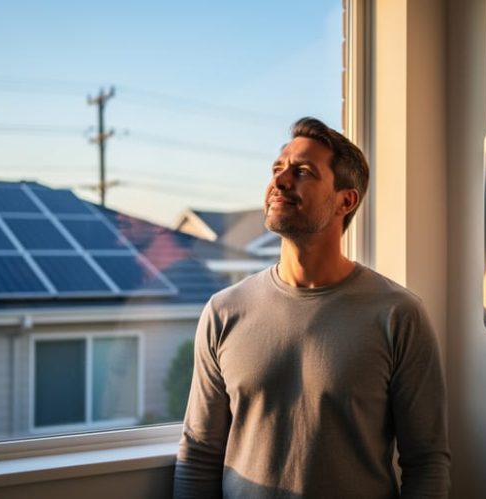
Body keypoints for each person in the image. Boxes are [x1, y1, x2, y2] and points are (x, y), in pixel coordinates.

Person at [174, 117, 450, 498]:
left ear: (345, 200)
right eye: (277, 169)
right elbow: (200, 453)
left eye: (302, 172)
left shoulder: (399, 315)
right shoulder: (224, 311)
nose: (281, 181)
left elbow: (427, 462)